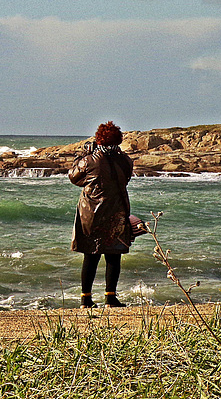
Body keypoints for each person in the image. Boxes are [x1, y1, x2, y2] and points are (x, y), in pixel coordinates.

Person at [69, 121, 134, 308]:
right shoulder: (125, 160)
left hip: (91, 212)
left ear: (99, 139)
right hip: (117, 210)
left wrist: (83, 154)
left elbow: (74, 177)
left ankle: (86, 299)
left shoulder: (90, 160)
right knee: (114, 255)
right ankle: (110, 297)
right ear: (118, 140)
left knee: (91, 255)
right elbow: (125, 179)